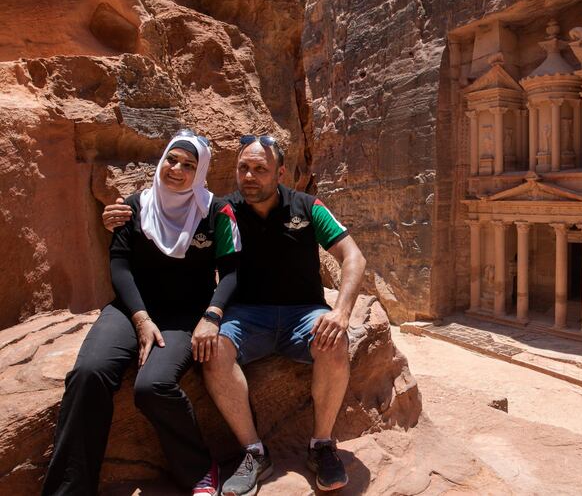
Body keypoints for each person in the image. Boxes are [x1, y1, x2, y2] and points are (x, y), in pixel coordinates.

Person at [102, 134, 366, 494]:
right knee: (213, 350)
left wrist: (342, 312)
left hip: (303, 313)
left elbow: (353, 256)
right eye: (244, 167)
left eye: (261, 169)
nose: (250, 176)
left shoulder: (307, 207)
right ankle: (255, 452)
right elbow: (167, 213)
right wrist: (122, 214)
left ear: (281, 172)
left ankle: (321, 445)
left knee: (334, 342)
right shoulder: (223, 211)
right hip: (246, 315)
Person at [44, 129, 241, 496]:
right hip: (131, 309)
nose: (177, 169)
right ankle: (69, 490)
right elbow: (119, 266)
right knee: (89, 373)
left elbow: (231, 271)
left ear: (200, 173)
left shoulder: (216, 212)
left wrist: (212, 316)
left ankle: (200, 469)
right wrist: (140, 318)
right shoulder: (133, 206)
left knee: (152, 387)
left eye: (188, 165)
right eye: (171, 159)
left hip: (186, 315)